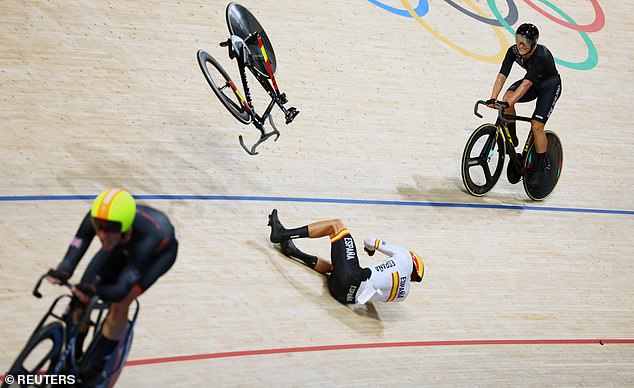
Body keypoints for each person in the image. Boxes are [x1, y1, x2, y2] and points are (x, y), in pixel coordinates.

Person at [46, 188, 178, 386]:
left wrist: (96, 291)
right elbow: (74, 251)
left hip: (156, 257)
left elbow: (120, 290)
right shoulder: (100, 220)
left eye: (108, 229)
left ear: (126, 228)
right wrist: (63, 271)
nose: (101, 233)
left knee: (120, 304)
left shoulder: (148, 239)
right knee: (81, 294)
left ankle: (96, 366)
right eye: (98, 227)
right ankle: (75, 355)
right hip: (120, 246)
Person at [267, 209, 424, 305]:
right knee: (338, 266)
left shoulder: (405, 257)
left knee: (336, 225)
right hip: (343, 296)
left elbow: (369, 241)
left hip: (351, 277)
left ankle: (282, 234)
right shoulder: (402, 295)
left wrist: (371, 249)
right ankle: (293, 251)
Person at [487, 23, 562, 185]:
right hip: (534, 82)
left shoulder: (540, 55)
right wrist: (493, 98)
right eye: (518, 39)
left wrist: (507, 104)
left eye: (525, 41)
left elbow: (527, 84)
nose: (520, 45)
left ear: (533, 43)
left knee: (536, 126)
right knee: (507, 96)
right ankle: (512, 137)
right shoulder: (513, 51)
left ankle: (541, 168)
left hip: (549, 86)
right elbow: (502, 75)